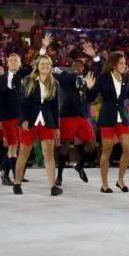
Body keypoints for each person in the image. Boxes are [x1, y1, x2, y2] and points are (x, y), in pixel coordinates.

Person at [85, 46, 129, 193]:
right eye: (121, 63)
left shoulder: (126, 79)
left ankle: (120, 180)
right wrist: (89, 88)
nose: (124, 65)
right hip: (107, 118)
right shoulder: (103, 78)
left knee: (127, 147)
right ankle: (104, 184)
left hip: (122, 119)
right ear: (114, 64)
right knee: (107, 150)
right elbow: (90, 97)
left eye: (125, 63)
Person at [12, 54, 62, 196]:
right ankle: (17, 184)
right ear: (37, 66)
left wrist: (56, 126)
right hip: (29, 122)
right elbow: (22, 102)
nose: (45, 66)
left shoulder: (54, 83)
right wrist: (24, 119)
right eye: (42, 64)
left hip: (47, 122)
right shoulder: (28, 80)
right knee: (23, 154)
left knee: (49, 155)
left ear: (51, 66)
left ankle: (53, 187)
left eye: (47, 64)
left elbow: (55, 107)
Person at [53, 49, 97, 184]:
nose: (75, 67)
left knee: (91, 144)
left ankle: (80, 165)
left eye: (78, 65)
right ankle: (59, 176)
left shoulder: (88, 79)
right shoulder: (66, 77)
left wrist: (95, 57)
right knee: (65, 145)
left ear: (83, 68)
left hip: (82, 116)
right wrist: (44, 52)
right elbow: (51, 68)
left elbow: (100, 71)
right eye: (73, 66)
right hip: (67, 115)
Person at [0, 49, 33, 185]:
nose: (13, 62)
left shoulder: (26, 76)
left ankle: (5, 173)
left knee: (23, 146)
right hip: (7, 117)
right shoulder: (0, 80)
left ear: (20, 63)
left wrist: (43, 49)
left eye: (16, 60)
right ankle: (14, 176)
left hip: (23, 116)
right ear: (7, 63)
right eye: (10, 60)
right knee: (12, 146)